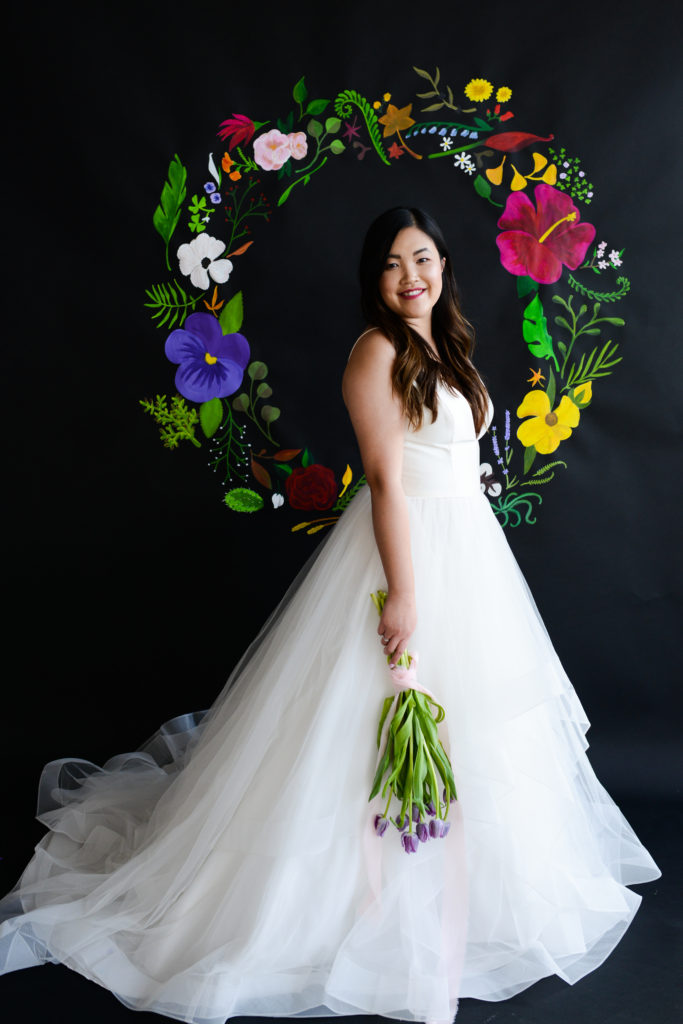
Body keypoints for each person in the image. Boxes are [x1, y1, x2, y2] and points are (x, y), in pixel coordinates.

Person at [0, 207, 660, 1024]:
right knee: (368, 725)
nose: (409, 276)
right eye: (391, 264)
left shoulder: (445, 348)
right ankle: (351, 901)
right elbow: (388, 482)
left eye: (422, 258)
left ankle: (475, 894)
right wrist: (405, 593)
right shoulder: (375, 353)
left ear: (444, 266)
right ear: (373, 281)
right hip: (407, 548)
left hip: (471, 554)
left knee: (482, 727)